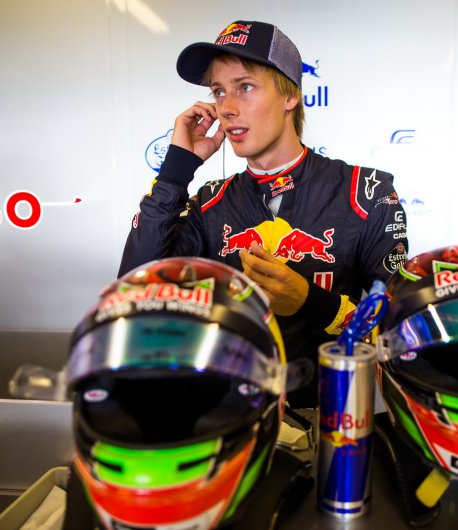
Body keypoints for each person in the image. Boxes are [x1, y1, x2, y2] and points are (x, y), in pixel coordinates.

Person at [119, 20, 408, 406]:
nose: (227, 108)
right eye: (219, 91)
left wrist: (312, 303)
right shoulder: (210, 202)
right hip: (228, 419)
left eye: (245, 87)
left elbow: (401, 334)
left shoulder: (366, 193)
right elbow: (135, 292)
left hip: (332, 423)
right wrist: (176, 169)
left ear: (291, 95)